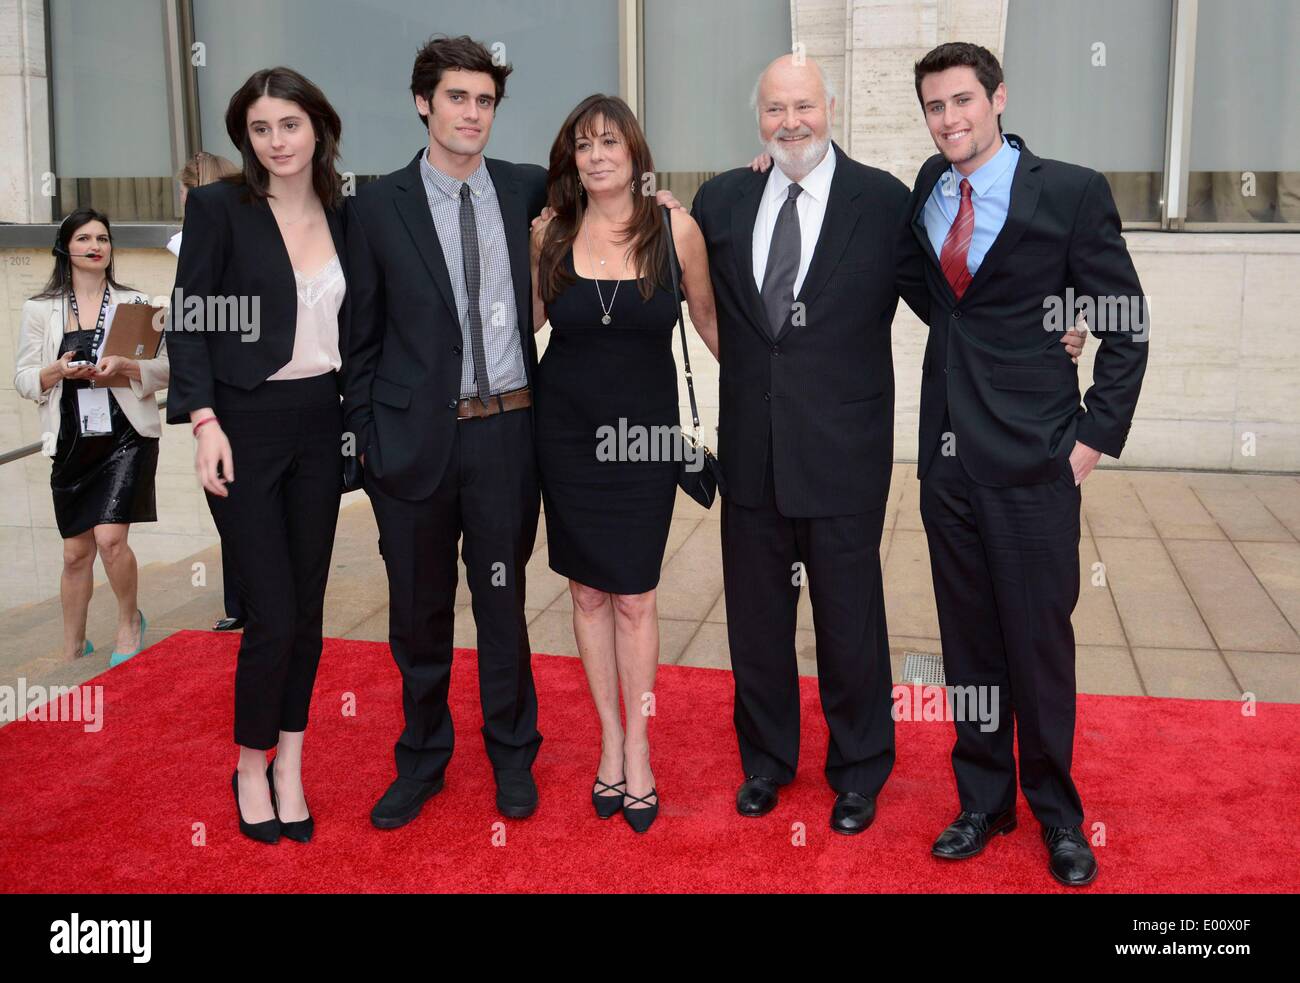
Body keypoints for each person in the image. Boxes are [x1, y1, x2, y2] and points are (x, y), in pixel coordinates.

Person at [902, 42, 1149, 886]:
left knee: (1038, 646)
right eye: (935, 106)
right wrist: (775, 166)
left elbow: (1124, 320)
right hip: (949, 464)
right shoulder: (926, 195)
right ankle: (983, 799)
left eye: (963, 100)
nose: (950, 119)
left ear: (998, 97)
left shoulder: (1071, 191)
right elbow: (934, 298)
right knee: (967, 645)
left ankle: (1058, 815)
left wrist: (1091, 438)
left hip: (1039, 461)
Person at [165, 67, 350, 846]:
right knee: (270, 611)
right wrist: (204, 420)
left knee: (306, 612)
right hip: (241, 424)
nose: (276, 141)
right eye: (261, 128)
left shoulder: (349, 210)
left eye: (290, 125)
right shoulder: (219, 208)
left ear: (318, 128)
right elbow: (190, 321)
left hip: (321, 421)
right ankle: (249, 763)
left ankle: (292, 765)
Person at [529, 94, 719, 833]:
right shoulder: (553, 234)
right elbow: (528, 325)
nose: (597, 155)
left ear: (636, 153)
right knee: (585, 596)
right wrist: (534, 241)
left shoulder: (676, 229)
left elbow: (708, 321)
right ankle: (608, 738)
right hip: (567, 439)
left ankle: (640, 746)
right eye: (584, 145)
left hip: (644, 443)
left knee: (636, 597)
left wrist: (777, 406)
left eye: (611, 142)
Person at [15, 210, 169, 667]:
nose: (95, 245)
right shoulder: (40, 309)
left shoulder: (137, 302)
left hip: (124, 437)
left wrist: (125, 368)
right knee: (74, 551)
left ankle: (128, 620)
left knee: (109, 540)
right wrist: (56, 371)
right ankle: (73, 644)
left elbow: (167, 371)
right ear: (66, 248)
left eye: (102, 237)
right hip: (72, 442)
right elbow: (23, 380)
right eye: (84, 238)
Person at [167, 150, 246, 632]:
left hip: (228, 389)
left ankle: (244, 601)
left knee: (231, 500)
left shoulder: (191, 237)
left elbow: (192, 318)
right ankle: (241, 600)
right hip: (215, 391)